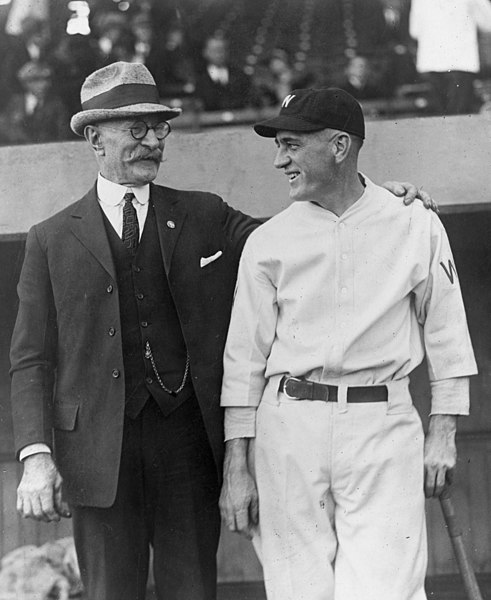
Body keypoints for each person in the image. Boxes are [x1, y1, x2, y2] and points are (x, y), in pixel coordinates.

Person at [10, 62, 433, 600]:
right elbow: (30, 360)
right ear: (95, 137)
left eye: (160, 128)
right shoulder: (49, 239)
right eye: (136, 129)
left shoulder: (203, 214)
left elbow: (290, 238)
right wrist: (36, 455)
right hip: (97, 460)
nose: (153, 142)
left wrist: (368, 198)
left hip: (188, 452)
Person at [219, 88, 477, 600]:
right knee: (298, 591)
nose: (279, 160)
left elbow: (447, 333)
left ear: (339, 146)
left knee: (386, 591)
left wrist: (444, 430)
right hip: (289, 427)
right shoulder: (267, 241)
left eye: (291, 144)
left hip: (382, 425)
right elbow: (243, 362)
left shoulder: (415, 222)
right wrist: (237, 466)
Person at [410, 0, 491, 115]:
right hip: (460, 62)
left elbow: (414, 31)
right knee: (459, 117)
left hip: (432, 62)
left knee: (439, 118)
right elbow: (488, 22)